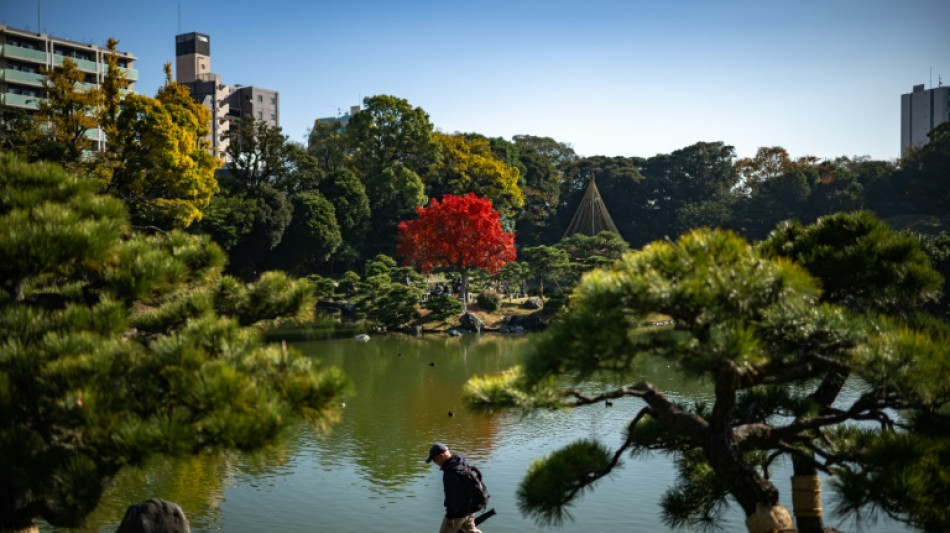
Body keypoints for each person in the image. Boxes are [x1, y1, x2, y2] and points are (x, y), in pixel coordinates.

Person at [426, 443, 483, 533]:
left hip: (458, 514)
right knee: (470, 531)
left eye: (434, 460)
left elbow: (451, 498)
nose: (435, 463)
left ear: (441, 456)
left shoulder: (450, 473)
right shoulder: (461, 461)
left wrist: (450, 517)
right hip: (471, 509)